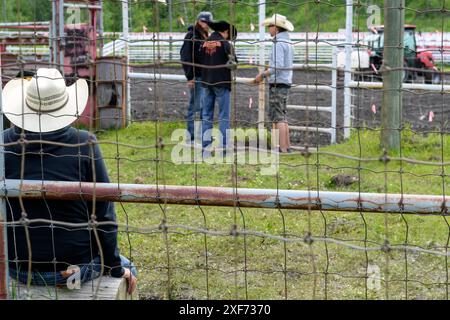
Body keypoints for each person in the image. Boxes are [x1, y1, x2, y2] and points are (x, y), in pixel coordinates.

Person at [2, 68, 137, 294]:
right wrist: (114, 268)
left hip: (17, 265)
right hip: (75, 265)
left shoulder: (4, 143)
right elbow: (104, 214)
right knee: (127, 266)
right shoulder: (83, 144)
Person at [254, 14, 294, 153]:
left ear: (276, 28)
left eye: (270, 26)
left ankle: (281, 148)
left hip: (278, 82)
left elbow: (277, 65)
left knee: (277, 117)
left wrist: (262, 75)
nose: (268, 29)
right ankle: (286, 147)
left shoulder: (278, 44)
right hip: (285, 81)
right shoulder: (287, 42)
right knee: (282, 115)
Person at [200, 20, 238, 156]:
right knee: (223, 116)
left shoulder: (203, 43)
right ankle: (223, 148)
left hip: (206, 82)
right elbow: (233, 64)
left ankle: (205, 147)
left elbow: (198, 61)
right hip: (222, 82)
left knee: (206, 115)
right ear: (226, 31)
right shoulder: (226, 44)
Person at [180, 11, 213, 144]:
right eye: (205, 22)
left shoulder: (205, 36)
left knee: (204, 106)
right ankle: (191, 136)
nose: (207, 25)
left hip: (205, 76)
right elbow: (185, 56)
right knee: (196, 106)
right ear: (199, 21)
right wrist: (190, 76)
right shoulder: (191, 36)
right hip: (197, 76)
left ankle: (200, 135)